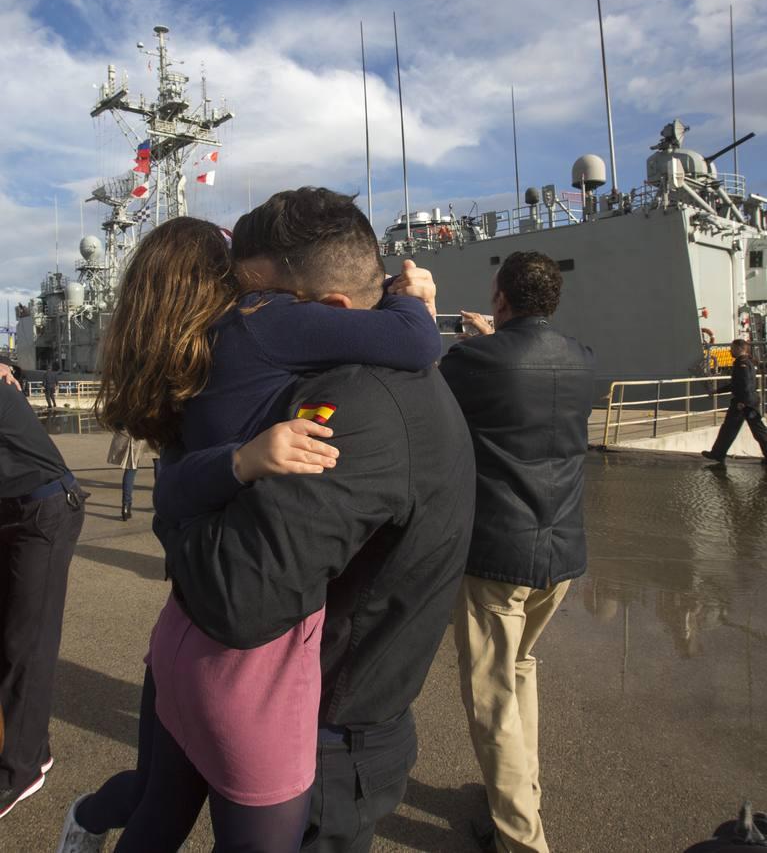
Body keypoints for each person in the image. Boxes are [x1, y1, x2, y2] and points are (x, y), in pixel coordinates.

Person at [58, 196, 455, 853]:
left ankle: (87, 822)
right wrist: (409, 294)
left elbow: (172, 494)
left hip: (177, 635)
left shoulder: (188, 361)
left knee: (159, 806)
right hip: (248, 660)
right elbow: (415, 342)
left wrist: (237, 463)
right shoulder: (260, 320)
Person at [439, 251, 594, 853]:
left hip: (497, 557)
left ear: (500, 300)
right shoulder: (581, 359)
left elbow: (436, 402)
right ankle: (522, 791)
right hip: (560, 552)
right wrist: (495, 338)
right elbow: (529, 380)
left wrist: (479, 340)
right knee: (520, 671)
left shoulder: (474, 361)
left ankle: (521, 840)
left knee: (492, 698)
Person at [0, 367, 87, 820]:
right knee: (10, 638)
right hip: (8, 510)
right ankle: (34, 746)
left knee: (26, 643)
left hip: (46, 510)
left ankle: (19, 771)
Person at [702, 338, 767, 463]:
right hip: (747, 400)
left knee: (755, 430)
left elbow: (745, 384)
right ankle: (717, 453)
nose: (730, 350)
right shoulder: (747, 361)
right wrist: (717, 391)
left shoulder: (742, 363)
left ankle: (718, 453)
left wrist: (743, 402)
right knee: (733, 428)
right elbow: (735, 384)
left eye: (732, 348)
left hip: (743, 402)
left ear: (738, 348)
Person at [107, 432, 146, 520]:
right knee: (158, 461)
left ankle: (126, 506)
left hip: (130, 431)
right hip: (147, 429)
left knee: (131, 468)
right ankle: (161, 503)